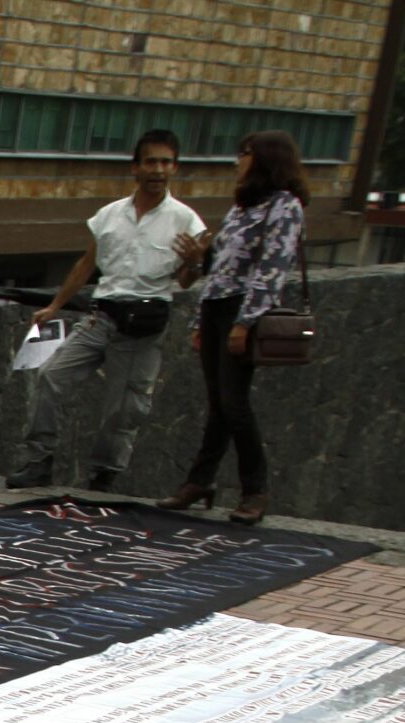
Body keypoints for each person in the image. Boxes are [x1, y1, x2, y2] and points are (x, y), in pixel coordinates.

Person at [7, 131, 207, 493]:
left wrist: (194, 262)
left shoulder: (185, 220)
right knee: (52, 376)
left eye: (165, 162)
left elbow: (186, 280)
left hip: (143, 323)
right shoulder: (110, 214)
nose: (158, 170)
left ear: (175, 167)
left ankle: (104, 475)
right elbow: (87, 264)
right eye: (151, 161)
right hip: (101, 315)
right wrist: (55, 306)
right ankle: (38, 462)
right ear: (136, 167)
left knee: (124, 407)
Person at [163, 132, 308, 527]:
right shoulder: (243, 207)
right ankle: (200, 481)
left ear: (264, 158)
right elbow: (221, 267)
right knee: (219, 402)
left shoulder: (284, 207)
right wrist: (199, 320)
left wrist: (245, 322)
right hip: (216, 306)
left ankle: (255, 489)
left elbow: (272, 268)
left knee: (235, 402)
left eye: (244, 154)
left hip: (244, 309)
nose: (237, 162)